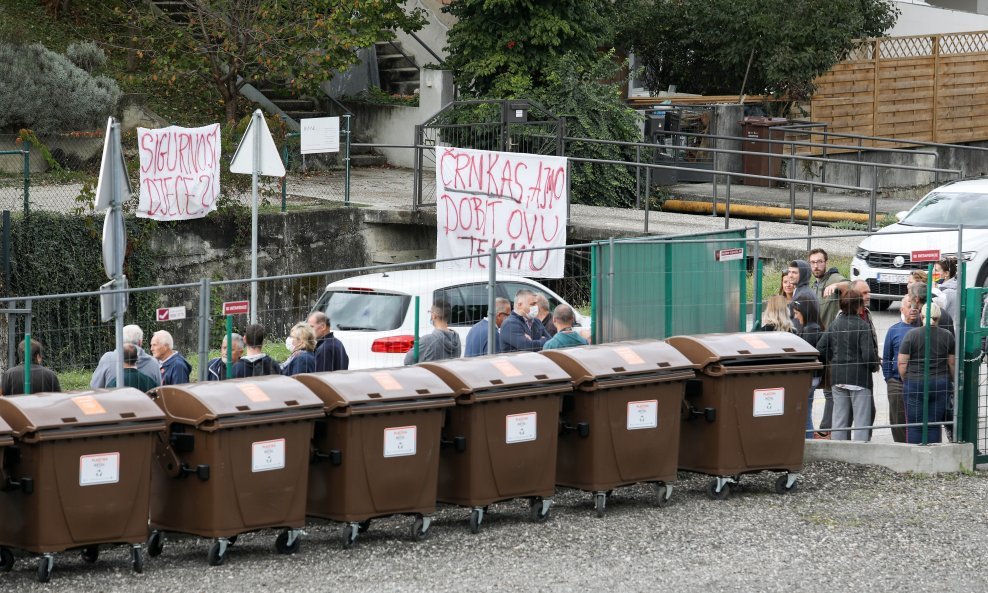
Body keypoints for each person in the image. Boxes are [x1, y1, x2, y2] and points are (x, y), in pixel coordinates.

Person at [816, 289, 879, 442]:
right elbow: (868, 356)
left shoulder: (835, 324)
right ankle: (860, 455)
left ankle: (839, 455)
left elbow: (821, 348)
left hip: (838, 377)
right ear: (859, 306)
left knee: (839, 420)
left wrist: (834, 358)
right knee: (861, 422)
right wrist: (874, 366)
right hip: (859, 379)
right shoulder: (863, 326)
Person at [898, 303, 955, 444]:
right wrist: (951, 379)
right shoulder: (947, 336)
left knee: (915, 425)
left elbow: (902, 363)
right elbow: (951, 363)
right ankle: (933, 459)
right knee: (934, 424)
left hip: (915, 383)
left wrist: (906, 378)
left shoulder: (911, 335)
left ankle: (915, 459)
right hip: (940, 383)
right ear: (939, 318)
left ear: (921, 316)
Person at [882, 296, 916, 443]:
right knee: (897, 419)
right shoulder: (894, 330)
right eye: (909, 306)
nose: (913, 309)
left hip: (916, 381)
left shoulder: (922, 329)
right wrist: (889, 378)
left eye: (915, 306)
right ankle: (901, 447)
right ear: (902, 309)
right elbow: (886, 357)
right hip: (896, 382)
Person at [91, 324, 161, 388]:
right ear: (140, 342)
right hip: (144, 401)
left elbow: (95, 387)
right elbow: (159, 390)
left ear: (119, 340)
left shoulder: (107, 359)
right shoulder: (153, 363)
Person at [792, 298, 822, 438]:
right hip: (812, 376)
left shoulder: (810, 329)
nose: (796, 317)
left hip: (809, 376)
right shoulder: (811, 327)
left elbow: (806, 355)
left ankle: (808, 440)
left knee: (804, 411)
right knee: (806, 410)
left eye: (797, 313)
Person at [404, 299, 461, 364]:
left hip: (429, 374)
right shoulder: (456, 338)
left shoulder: (427, 340)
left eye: (430, 312)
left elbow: (407, 361)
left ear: (434, 316)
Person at [809, 248, 850, 329]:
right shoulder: (813, 287)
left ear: (826, 263)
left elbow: (853, 286)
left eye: (820, 261)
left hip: (832, 335)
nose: (816, 266)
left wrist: (837, 285)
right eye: (813, 262)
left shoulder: (834, 278)